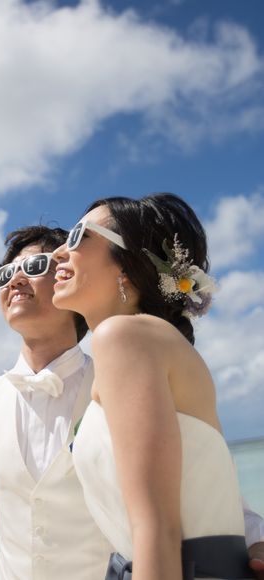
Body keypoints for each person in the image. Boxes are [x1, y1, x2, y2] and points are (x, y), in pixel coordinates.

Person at [0, 221, 264, 580]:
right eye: (5, 274)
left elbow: (200, 474)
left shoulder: (127, 374)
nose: (15, 280)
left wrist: (256, 540)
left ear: (64, 275)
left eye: (33, 267)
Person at [51, 193, 264, 580]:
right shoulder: (148, 343)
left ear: (128, 265)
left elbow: (157, 529)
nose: (58, 253)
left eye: (79, 236)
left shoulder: (125, 337)